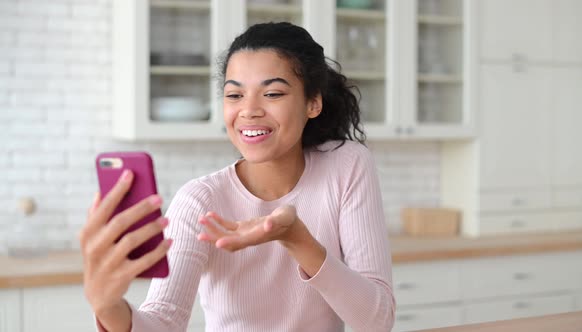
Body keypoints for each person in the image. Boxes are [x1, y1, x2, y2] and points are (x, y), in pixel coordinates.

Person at [80, 22, 395, 332]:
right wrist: (108, 308)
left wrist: (297, 239)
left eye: (272, 93)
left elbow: (377, 322)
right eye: (234, 96)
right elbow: (164, 321)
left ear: (313, 102)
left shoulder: (347, 166)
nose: (249, 110)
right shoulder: (200, 200)